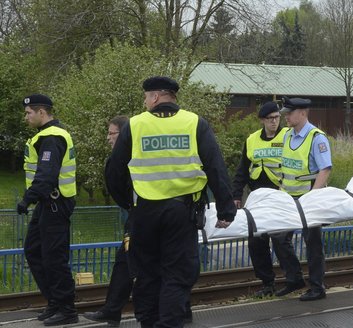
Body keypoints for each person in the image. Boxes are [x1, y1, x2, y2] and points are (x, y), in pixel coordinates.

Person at [105, 76, 237, 327]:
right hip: (182, 213)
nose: (145, 102)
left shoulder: (135, 125)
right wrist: (226, 209)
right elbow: (216, 167)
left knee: (145, 274)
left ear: (155, 97)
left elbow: (114, 172)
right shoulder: (195, 123)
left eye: (146, 97)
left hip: (144, 212)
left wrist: (129, 205)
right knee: (176, 275)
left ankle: (148, 322)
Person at [231, 101, 305, 298]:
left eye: (277, 118)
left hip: (281, 195)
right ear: (262, 120)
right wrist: (236, 195)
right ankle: (267, 283)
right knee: (256, 241)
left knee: (280, 239)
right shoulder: (252, 140)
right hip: (257, 198)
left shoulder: (289, 136)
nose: (274, 122)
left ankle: (294, 278)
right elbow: (242, 170)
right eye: (270, 119)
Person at [18, 94, 79, 326]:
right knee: (34, 250)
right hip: (48, 203)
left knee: (54, 257)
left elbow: (46, 175)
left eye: (28, 113)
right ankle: (55, 301)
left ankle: (67, 309)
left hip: (55, 203)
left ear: (41, 112)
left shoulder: (52, 138)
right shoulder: (46, 136)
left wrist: (27, 199)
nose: (26, 117)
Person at [278, 96, 332, 301]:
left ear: (302, 113)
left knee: (313, 243)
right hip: (288, 197)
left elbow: (325, 169)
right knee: (279, 238)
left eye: (289, 113)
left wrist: (312, 197)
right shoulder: (287, 135)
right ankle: (294, 279)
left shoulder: (317, 137)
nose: (286, 117)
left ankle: (318, 288)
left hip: (308, 197)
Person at [83, 115, 131, 327]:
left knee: (126, 264)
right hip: (141, 215)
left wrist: (131, 207)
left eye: (112, 133)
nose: (108, 138)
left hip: (142, 217)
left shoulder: (127, 157)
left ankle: (112, 311)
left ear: (124, 134)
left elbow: (119, 187)